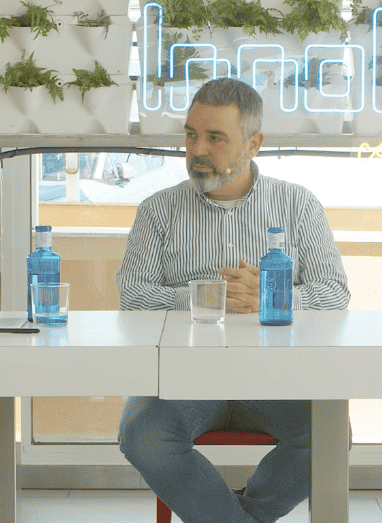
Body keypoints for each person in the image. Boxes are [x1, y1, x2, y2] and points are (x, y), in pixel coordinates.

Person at [115, 78, 350, 523]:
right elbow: (132, 296)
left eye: (215, 137)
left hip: (275, 375)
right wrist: (209, 299)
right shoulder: (157, 211)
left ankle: (236, 516)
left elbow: (335, 294)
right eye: (190, 135)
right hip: (182, 377)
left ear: (253, 143)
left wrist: (272, 297)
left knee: (331, 434)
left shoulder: (298, 205)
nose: (197, 149)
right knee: (142, 435)